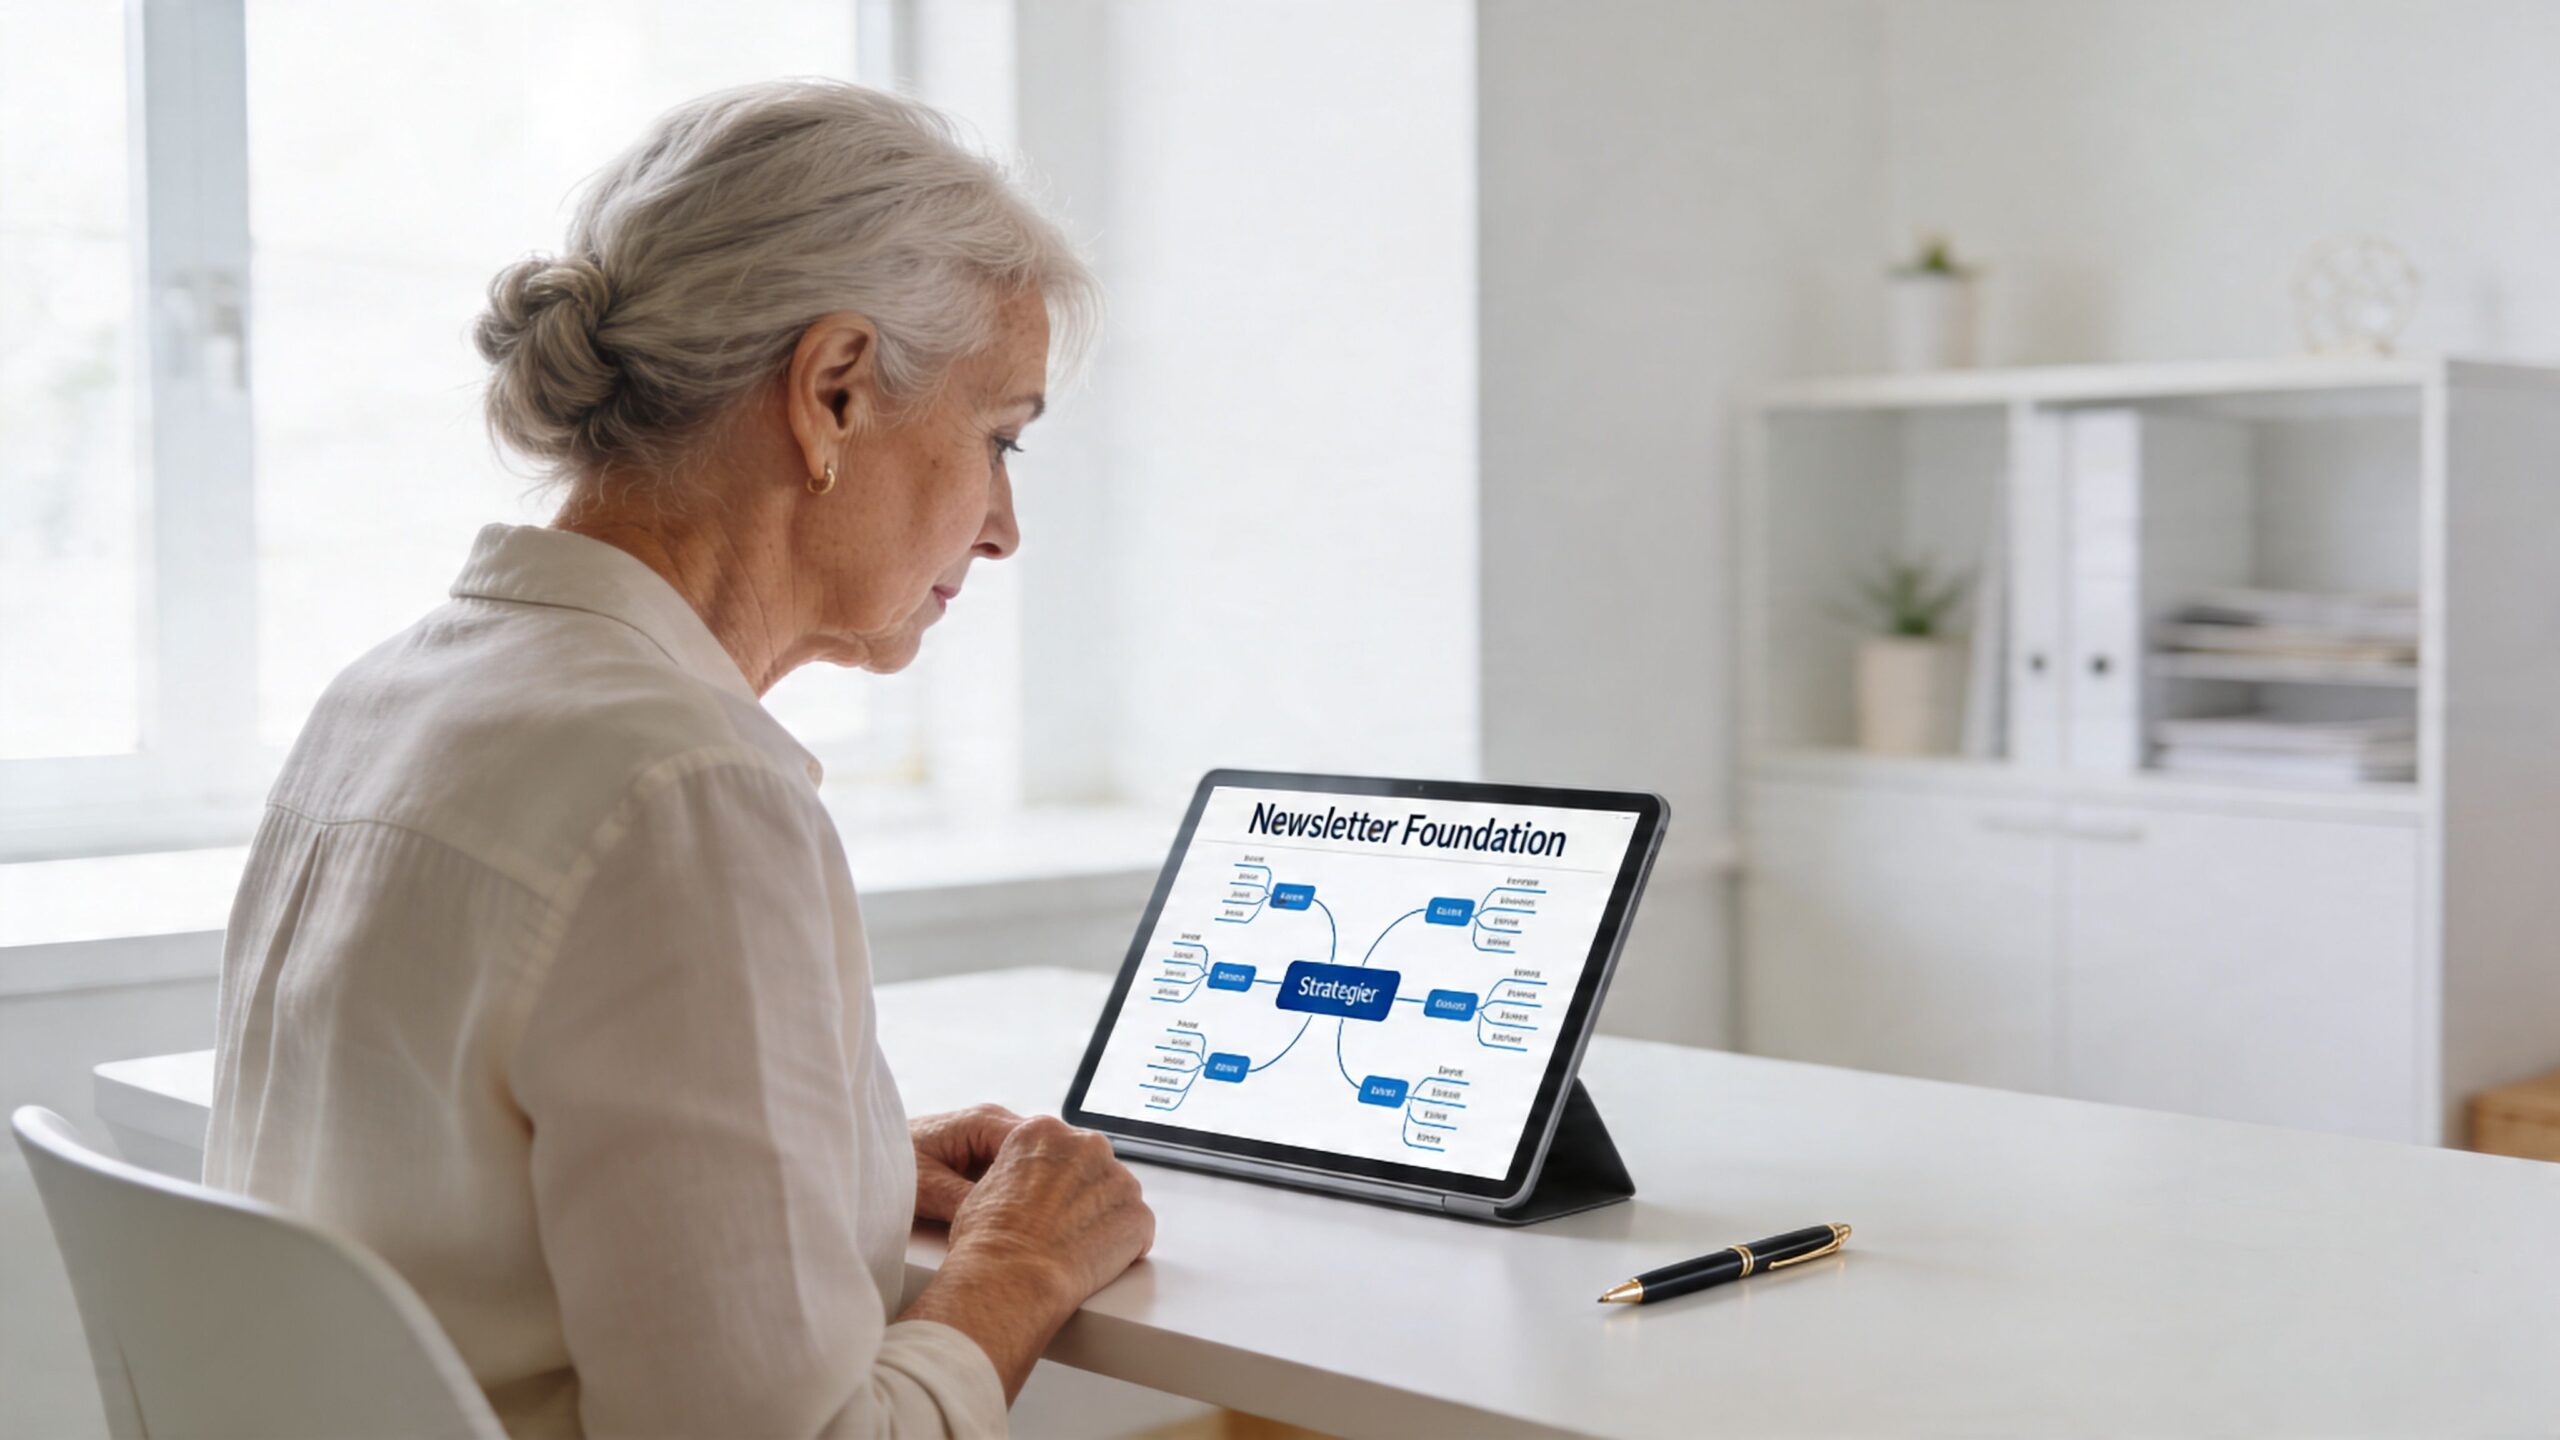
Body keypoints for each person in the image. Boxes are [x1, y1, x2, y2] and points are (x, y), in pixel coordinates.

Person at [205, 78, 1153, 1439]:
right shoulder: (686, 793)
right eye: (999, 437)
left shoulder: (392, 698)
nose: (1005, 529)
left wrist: (828, 1170)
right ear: (831, 393)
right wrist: (1019, 1269)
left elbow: (461, 1197)